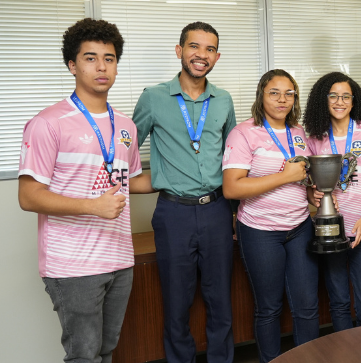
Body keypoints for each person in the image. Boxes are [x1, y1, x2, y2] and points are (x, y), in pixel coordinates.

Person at [18, 18, 153, 362]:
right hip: (73, 264)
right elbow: (28, 196)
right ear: (72, 65)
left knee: (106, 350)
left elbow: (130, 179)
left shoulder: (125, 125)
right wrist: (93, 206)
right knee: (85, 355)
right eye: (90, 58)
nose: (101, 66)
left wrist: (187, 180)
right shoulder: (48, 122)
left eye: (109, 58)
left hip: (120, 257)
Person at [133, 22, 237, 363]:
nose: (201, 55)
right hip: (173, 214)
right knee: (176, 303)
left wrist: (235, 211)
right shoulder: (154, 98)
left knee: (220, 299)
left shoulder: (223, 100)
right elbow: (127, 150)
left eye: (209, 49)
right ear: (179, 50)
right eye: (194, 47)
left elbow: (234, 158)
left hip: (217, 211)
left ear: (216, 57)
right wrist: (160, 175)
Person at [222, 69, 318, 362]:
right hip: (260, 232)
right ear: (261, 95)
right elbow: (231, 188)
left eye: (289, 93)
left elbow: (304, 176)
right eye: (274, 92)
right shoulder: (244, 133)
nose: (282, 99)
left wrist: (311, 190)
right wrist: (285, 175)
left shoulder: (300, 133)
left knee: (307, 306)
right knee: (269, 308)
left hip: (300, 227)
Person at [303, 72, 361, 331]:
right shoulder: (315, 138)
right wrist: (313, 197)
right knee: (338, 301)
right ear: (323, 99)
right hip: (330, 232)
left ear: (354, 101)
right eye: (333, 95)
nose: (339, 101)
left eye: (346, 96)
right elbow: (308, 186)